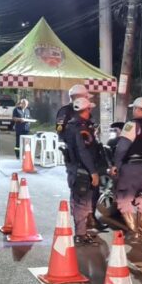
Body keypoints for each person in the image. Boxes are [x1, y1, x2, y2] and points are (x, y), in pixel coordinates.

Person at [110, 97, 142, 241]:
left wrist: (115, 165)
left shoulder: (131, 125)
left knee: (124, 199)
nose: (133, 111)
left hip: (131, 167)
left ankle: (133, 231)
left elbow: (122, 148)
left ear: (137, 109)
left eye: (133, 109)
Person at [63, 96, 100, 244]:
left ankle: (81, 231)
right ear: (86, 110)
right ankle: (80, 234)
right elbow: (83, 151)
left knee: (79, 200)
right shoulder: (80, 128)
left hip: (76, 168)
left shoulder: (75, 125)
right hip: (81, 169)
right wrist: (93, 171)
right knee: (82, 201)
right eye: (89, 109)